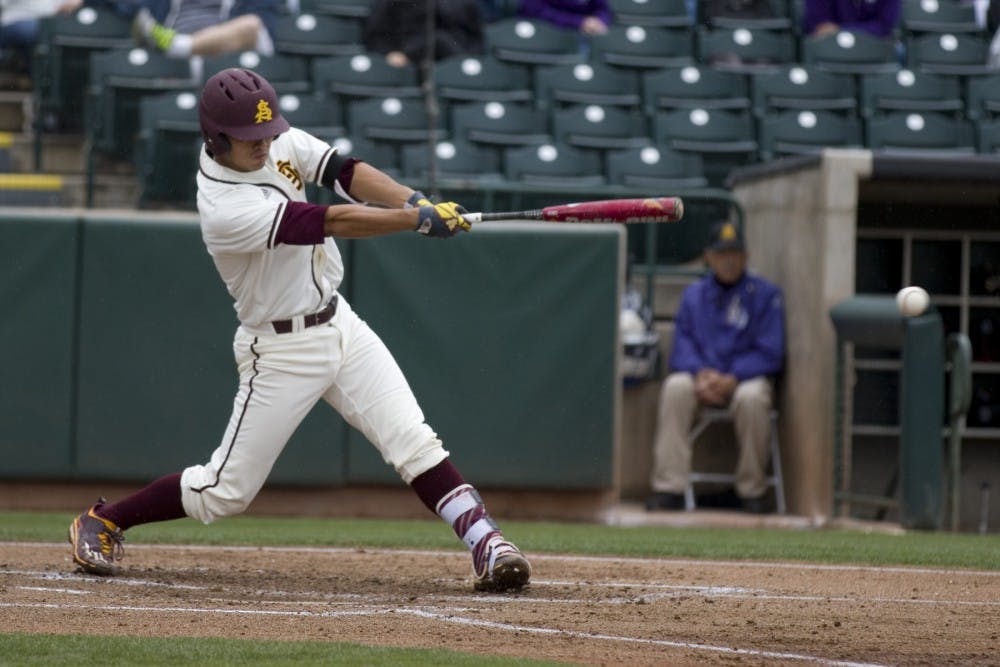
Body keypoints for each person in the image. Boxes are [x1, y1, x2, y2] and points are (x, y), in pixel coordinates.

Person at [67, 67, 531, 594]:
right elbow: (327, 220)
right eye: (249, 140)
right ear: (216, 139)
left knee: (413, 439)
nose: (264, 145)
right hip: (280, 349)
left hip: (340, 322)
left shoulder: (273, 136)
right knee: (226, 491)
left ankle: (488, 544)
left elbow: (343, 170)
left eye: (267, 133)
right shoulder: (223, 208)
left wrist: (414, 201)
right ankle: (105, 519)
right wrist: (416, 222)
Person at [645, 221, 785, 514]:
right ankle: (669, 488)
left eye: (735, 252)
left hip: (744, 380)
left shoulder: (765, 294)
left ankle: (752, 491)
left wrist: (733, 377)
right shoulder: (694, 295)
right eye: (722, 254)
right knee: (675, 388)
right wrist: (701, 374)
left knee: (753, 397)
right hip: (703, 379)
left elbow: (772, 352)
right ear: (708, 257)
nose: (729, 259)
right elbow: (681, 346)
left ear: (746, 256)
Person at [84, 0, 280, 59]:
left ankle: (174, 44)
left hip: (233, 58)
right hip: (180, 65)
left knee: (250, 25)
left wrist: (182, 45)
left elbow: (260, 27)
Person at [363, 0, 485, 69]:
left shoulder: (465, 3)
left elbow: (475, 38)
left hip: (455, 63)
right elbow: (375, 35)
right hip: (406, 64)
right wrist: (389, 54)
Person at [802, 0, 902, 39]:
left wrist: (841, 29)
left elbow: (884, 25)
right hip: (829, 46)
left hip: (877, 46)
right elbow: (819, 26)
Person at [516, 0, 613, 36]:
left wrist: (599, 21)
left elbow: (602, 9)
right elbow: (536, 11)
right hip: (541, 32)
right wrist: (579, 22)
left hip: (581, 33)